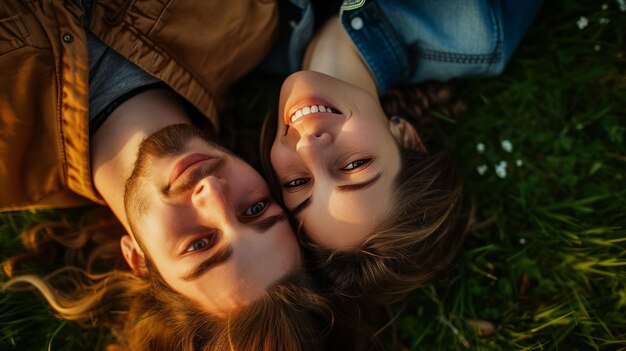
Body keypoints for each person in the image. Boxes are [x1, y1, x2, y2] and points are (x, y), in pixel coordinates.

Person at [0, 0, 334, 349]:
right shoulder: (247, 19)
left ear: (139, 261)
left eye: (200, 244)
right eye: (255, 210)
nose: (211, 191)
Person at [261, 0, 543, 304]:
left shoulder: (248, 36)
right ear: (406, 138)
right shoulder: (478, 26)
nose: (308, 147)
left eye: (297, 183)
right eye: (355, 164)